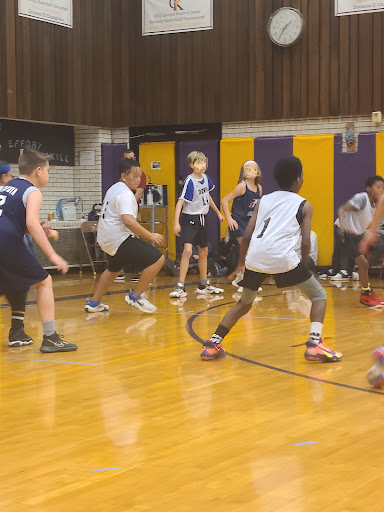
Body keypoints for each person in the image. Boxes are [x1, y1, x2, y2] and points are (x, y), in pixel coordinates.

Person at [200, 156, 342, 363]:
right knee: (319, 295)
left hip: (255, 257)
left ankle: (213, 344)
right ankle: (314, 344)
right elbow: (305, 242)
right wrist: (304, 264)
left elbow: (247, 235)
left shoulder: (265, 199)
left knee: (244, 303)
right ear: (299, 179)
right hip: (282, 258)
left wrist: (241, 264)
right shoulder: (304, 204)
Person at [0, 151, 77, 352]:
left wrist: (40, 230)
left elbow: (13, 219)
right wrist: (53, 255)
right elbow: (31, 224)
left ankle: (19, 331)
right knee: (44, 282)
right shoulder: (33, 191)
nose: (48, 176)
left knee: (13, 284)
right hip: (6, 240)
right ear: (38, 170)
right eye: (48, 171)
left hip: (4, 237)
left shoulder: (9, 186)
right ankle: (50, 337)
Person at [85, 158, 165, 314]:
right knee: (158, 259)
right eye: (134, 176)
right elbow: (127, 220)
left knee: (113, 269)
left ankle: (94, 303)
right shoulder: (126, 194)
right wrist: (150, 235)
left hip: (105, 238)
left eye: (139, 176)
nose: (138, 179)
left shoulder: (114, 188)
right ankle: (136, 296)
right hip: (118, 238)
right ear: (123, 176)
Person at [170, 151, 224, 298]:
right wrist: (176, 223)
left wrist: (218, 212)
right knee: (187, 251)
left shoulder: (206, 179)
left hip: (202, 219)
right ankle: (180, 286)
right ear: (192, 165)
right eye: (199, 162)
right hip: (189, 219)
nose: (203, 165)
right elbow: (180, 202)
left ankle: (203, 283)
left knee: (203, 251)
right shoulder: (190, 181)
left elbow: (207, 196)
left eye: (204, 162)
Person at [337, 175, 384, 307]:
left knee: (364, 264)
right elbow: (342, 209)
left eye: (383, 188)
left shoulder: (377, 204)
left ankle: (367, 292)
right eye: (378, 187)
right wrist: (343, 225)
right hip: (344, 232)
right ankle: (366, 294)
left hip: (356, 234)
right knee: (363, 263)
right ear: (368, 188)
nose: (381, 190)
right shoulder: (361, 198)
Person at [221, 160, 262, 290]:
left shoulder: (259, 188)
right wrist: (229, 219)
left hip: (249, 224)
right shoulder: (241, 186)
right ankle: (245, 282)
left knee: (248, 253)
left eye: (254, 168)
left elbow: (256, 208)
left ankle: (238, 276)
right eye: (248, 169)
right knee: (248, 251)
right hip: (238, 223)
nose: (251, 171)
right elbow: (224, 200)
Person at [115, 149, 147, 282]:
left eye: (132, 158)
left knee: (135, 239)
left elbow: (139, 193)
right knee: (120, 239)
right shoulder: (122, 177)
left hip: (133, 211)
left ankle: (139, 270)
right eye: (127, 159)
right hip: (122, 213)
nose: (130, 161)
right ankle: (118, 271)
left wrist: (129, 205)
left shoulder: (140, 174)